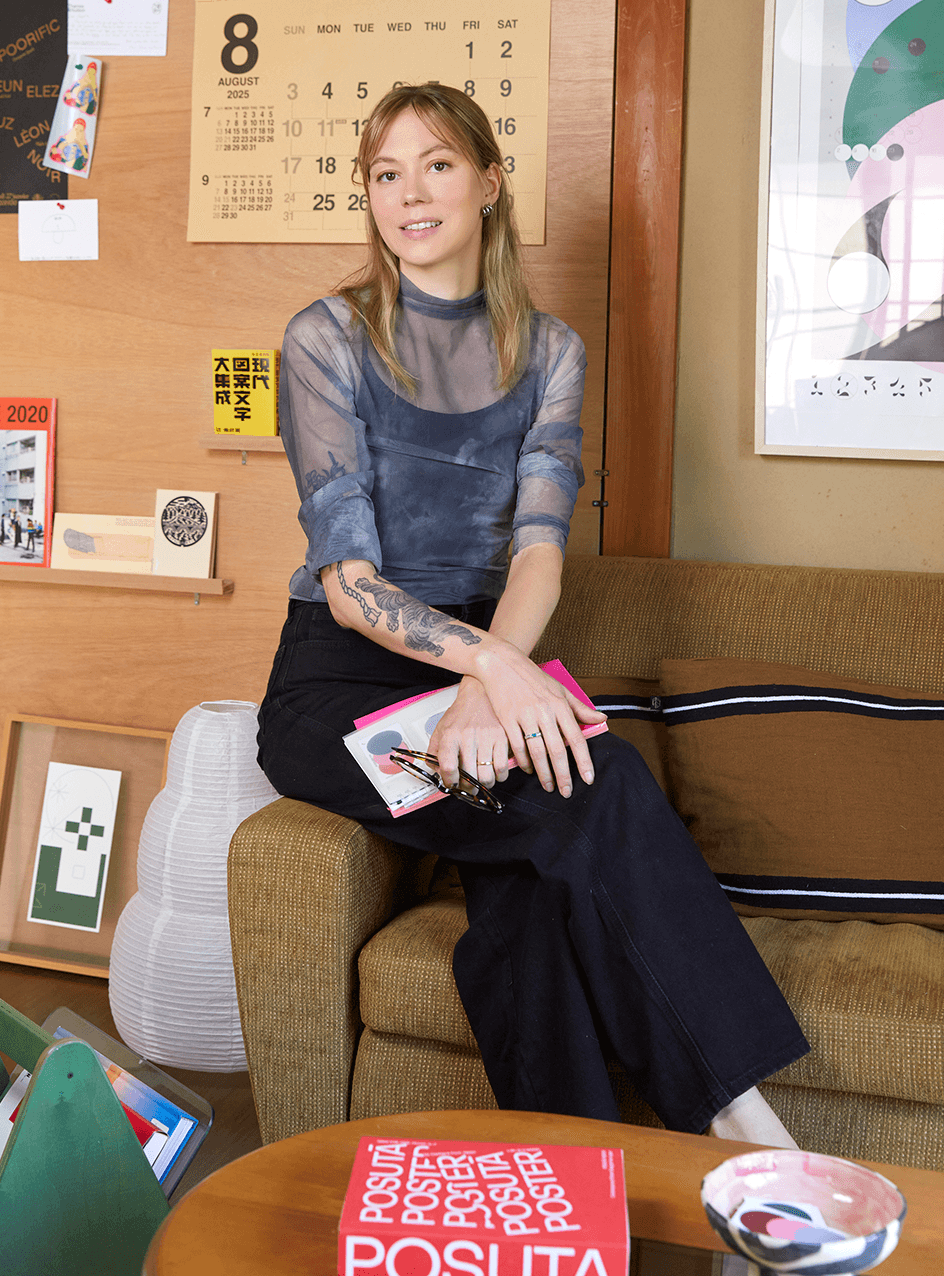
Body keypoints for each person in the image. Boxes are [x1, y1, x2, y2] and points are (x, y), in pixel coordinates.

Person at [257, 83, 808, 1145]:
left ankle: (571, 1185)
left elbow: (541, 555)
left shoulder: (550, 351)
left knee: (534, 878)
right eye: (385, 173)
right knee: (596, 790)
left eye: (436, 165)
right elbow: (350, 584)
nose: (409, 194)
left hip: (479, 653)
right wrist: (495, 672)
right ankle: (751, 1135)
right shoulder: (325, 337)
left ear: (488, 182)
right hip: (340, 685)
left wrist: (486, 678)